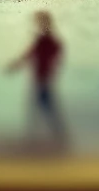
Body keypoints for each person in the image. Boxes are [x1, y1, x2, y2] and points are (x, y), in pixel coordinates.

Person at [7, 10, 65, 147]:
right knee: (43, 106)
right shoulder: (45, 39)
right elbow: (33, 54)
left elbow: (30, 54)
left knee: (43, 107)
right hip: (42, 77)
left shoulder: (44, 40)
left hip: (43, 77)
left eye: (38, 21)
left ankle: (50, 138)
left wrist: (16, 64)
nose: (36, 23)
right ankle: (51, 137)